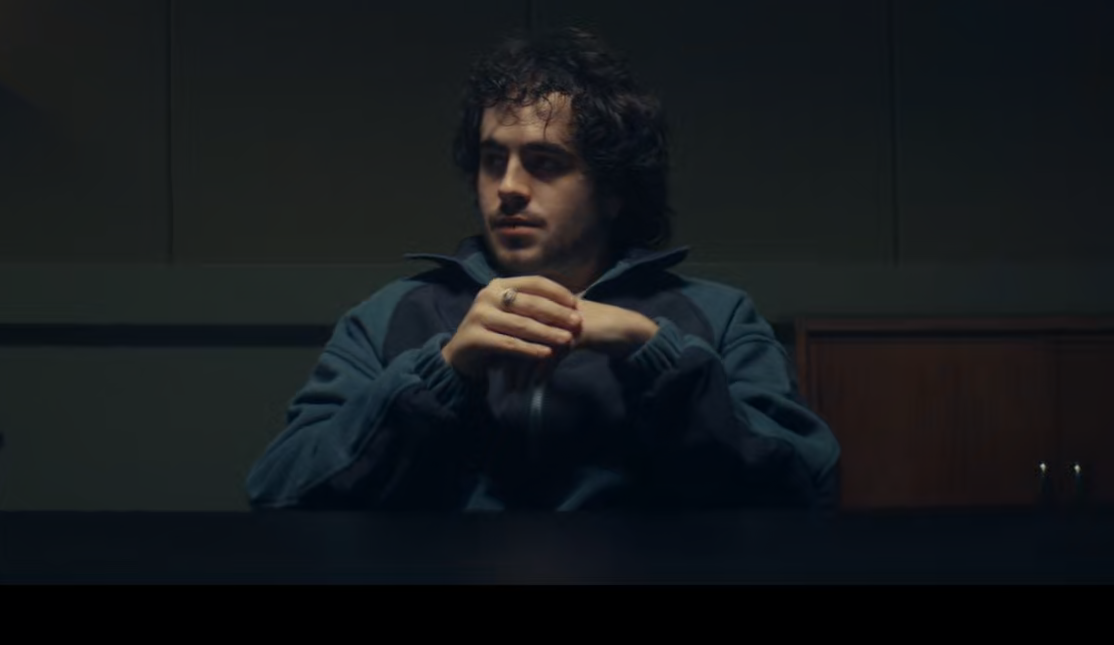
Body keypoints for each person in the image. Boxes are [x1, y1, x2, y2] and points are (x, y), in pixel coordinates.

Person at [245, 27, 840, 510]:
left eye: (545, 162)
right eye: (492, 160)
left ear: (613, 189)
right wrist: (442, 372)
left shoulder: (717, 317)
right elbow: (279, 491)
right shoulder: (391, 316)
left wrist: (655, 352)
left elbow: (806, 490)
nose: (508, 187)